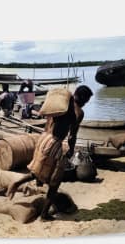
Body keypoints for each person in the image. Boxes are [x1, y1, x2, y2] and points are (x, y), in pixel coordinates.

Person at [6, 85, 93, 221]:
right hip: (55, 143)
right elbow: (72, 136)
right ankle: (44, 215)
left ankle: (17, 184)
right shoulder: (78, 112)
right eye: (86, 100)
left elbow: (48, 122)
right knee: (54, 183)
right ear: (82, 98)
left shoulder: (60, 105)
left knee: (38, 171)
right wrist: (70, 151)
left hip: (43, 138)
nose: (86, 103)